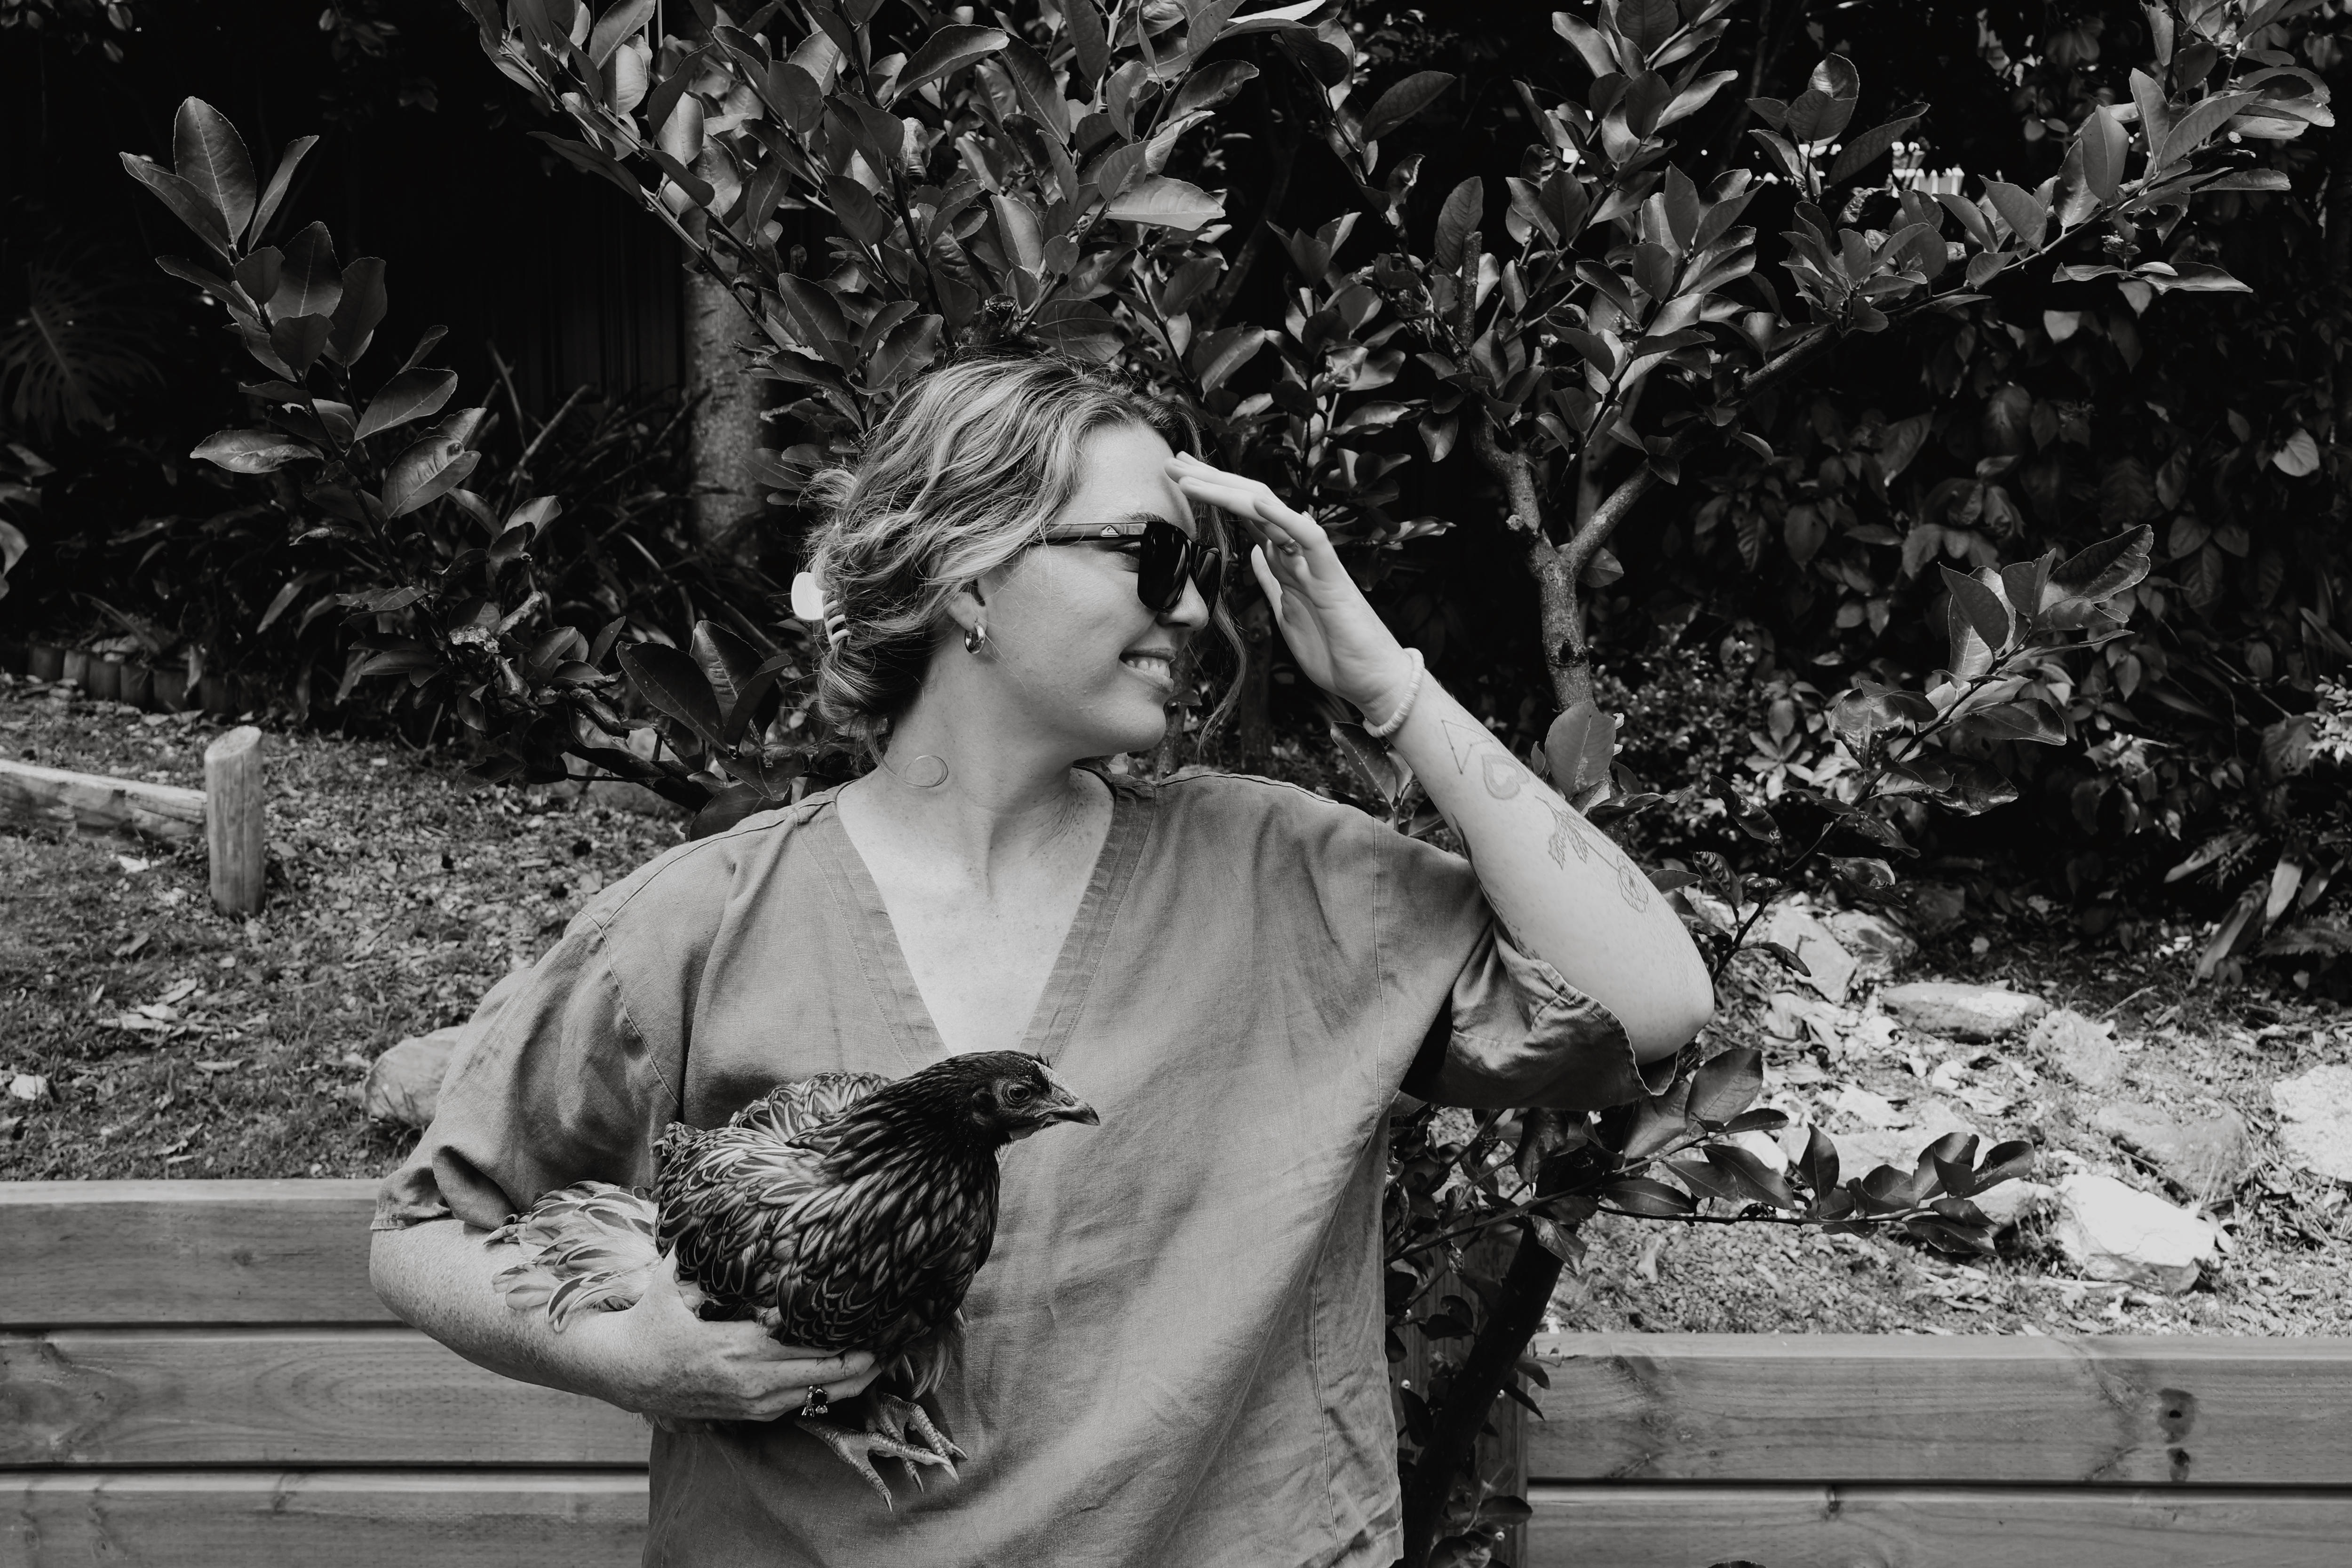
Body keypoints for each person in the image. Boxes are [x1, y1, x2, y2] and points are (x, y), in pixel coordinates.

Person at [368, 351, 1713, 1566]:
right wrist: (628, 1353)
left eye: (1201, 573)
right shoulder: (706, 917)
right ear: (970, 576)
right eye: (1150, 557)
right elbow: (432, 1229)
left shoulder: (1284, 877)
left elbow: (1658, 1001)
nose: (1190, 616)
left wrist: (1387, 682)